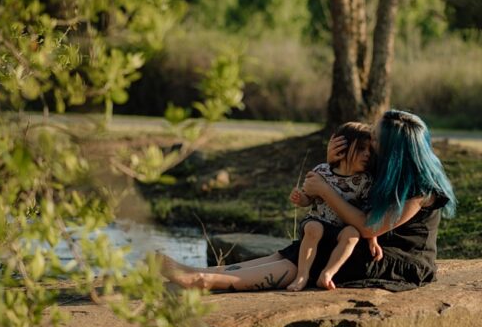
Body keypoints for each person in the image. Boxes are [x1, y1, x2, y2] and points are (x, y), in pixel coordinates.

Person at [158, 109, 456, 293]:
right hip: (364, 244)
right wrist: (334, 164)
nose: (370, 145)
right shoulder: (384, 170)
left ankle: (204, 282)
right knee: (294, 250)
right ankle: (199, 272)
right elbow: (349, 191)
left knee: (313, 256)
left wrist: (326, 189)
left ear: (394, 150)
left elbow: (368, 227)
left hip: (398, 261)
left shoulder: (421, 190)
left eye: (376, 141)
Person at [286, 120, 381, 292]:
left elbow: (368, 211)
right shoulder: (322, 170)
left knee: (352, 234)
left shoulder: (365, 181)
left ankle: (327, 274)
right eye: (360, 148)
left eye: (370, 150)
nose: (367, 154)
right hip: (318, 220)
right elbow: (309, 199)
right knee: (314, 229)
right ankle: (302, 275)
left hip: (341, 228)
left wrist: (372, 239)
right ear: (342, 148)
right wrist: (301, 199)